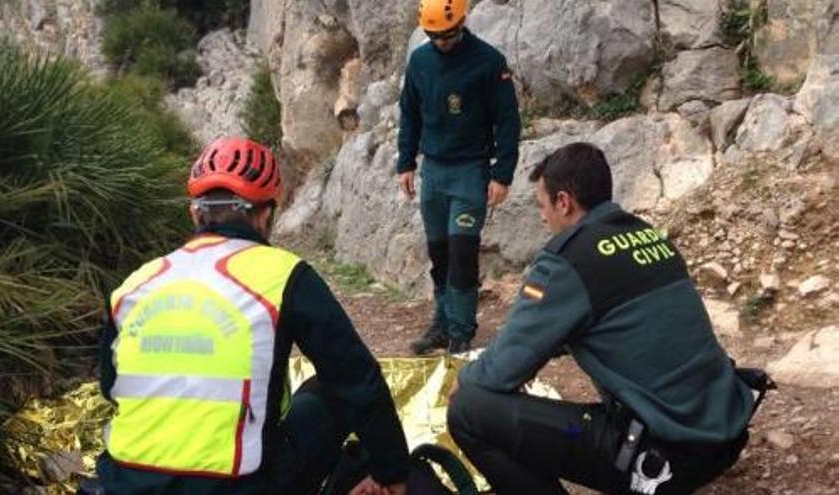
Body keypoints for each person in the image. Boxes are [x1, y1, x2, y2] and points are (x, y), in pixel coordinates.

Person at [96, 137, 409, 495]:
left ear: (195, 213)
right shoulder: (284, 275)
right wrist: (392, 471)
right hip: (240, 486)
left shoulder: (136, 284)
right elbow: (356, 378)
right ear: (265, 216)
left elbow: (111, 387)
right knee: (331, 391)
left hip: (125, 482)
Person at [447, 142, 756, 494]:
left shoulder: (566, 260)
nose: (543, 217)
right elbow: (618, 324)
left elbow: (502, 369)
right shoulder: (647, 235)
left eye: (542, 206)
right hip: (723, 433)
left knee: (468, 410)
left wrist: (468, 377)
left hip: (664, 455)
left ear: (564, 202)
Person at [398, 0, 521, 355]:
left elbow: (508, 122)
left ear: (462, 23)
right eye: (435, 36)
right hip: (434, 170)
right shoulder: (420, 61)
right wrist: (405, 162)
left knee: (463, 252)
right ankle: (441, 322)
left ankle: (461, 331)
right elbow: (409, 114)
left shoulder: (488, 62)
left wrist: (502, 173)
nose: (442, 43)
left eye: (448, 36)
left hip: (470, 170)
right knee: (439, 254)